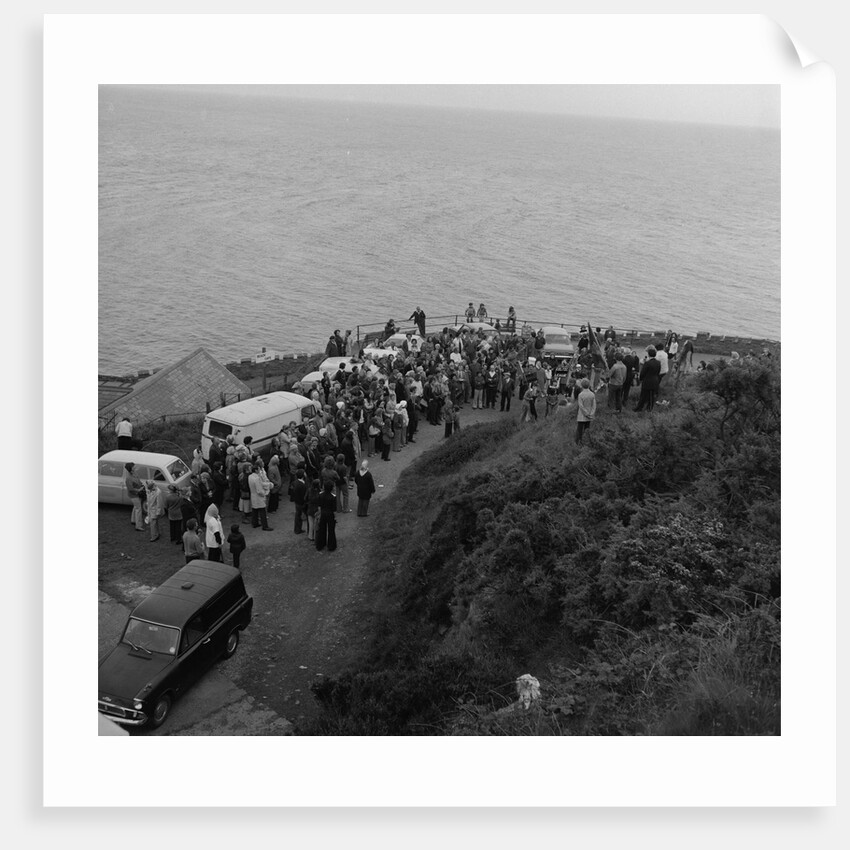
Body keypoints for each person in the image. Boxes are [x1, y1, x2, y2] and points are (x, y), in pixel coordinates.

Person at [634, 347, 662, 412]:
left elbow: (643, 372)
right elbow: (658, 371)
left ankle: (639, 408)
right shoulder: (658, 362)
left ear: (649, 354)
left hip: (647, 381)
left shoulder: (647, 363)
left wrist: (640, 379)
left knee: (643, 396)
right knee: (652, 396)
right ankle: (649, 408)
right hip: (655, 380)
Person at [248, 462, 274, 530]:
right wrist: (265, 493)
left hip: (253, 495)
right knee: (262, 512)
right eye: (259, 469)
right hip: (258, 497)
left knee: (255, 510)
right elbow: (259, 490)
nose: (259, 470)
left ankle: (255, 523)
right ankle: (265, 526)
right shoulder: (257, 478)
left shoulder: (250, 476)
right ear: (256, 470)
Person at [315, 480, 338, 552]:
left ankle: (320, 544)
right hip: (330, 514)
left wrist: (319, 514)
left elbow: (319, 506)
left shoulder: (320, 494)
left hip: (322, 513)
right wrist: (335, 517)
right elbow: (334, 509)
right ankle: (331, 545)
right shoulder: (333, 497)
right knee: (331, 530)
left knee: (322, 529)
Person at [123, 462, 146, 531]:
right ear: (131, 469)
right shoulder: (128, 478)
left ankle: (133, 520)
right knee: (138, 509)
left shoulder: (135, 473)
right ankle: (138, 526)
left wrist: (142, 484)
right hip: (134, 495)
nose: (136, 467)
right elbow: (131, 489)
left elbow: (138, 481)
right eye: (134, 467)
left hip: (136, 494)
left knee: (135, 507)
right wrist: (139, 490)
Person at [575, 378, 596, 444]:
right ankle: (587, 441)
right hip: (590, 415)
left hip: (582, 415)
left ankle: (579, 442)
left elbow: (581, 406)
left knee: (579, 430)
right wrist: (591, 413)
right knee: (587, 429)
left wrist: (585, 413)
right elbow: (594, 405)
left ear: (581, 385)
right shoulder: (592, 394)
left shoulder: (581, 395)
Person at [291, 469, 307, 534]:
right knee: (299, 515)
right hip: (301, 502)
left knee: (298, 515)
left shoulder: (295, 482)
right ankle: (298, 529)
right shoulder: (302, 485)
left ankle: (297, 529)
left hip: (297, 501)